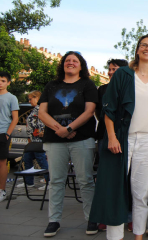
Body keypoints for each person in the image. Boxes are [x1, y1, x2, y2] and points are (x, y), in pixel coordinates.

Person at [89, 34, 148, 240]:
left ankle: (139, 235)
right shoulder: (124, 74)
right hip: (123, 138)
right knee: (116, 188)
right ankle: (115, 237)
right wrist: (112, 137)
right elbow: (108, 109)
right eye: (144, 45)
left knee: (140, 192)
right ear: (138, 50)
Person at [38, 51, 99, 237]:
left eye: (75, 60)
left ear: (81, 66)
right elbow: (42, 112)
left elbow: (89, 112)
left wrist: (70, 129)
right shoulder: (51, 85)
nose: (70, 63)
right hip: (55, 140)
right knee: (56, 181)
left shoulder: (87, 85)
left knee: (86, 180)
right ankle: (53, 221)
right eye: (67, 60)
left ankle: (91, 219)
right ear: (63, 64)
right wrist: (60, 129)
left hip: (82, 140)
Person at [94, 58, 129, 232]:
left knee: (127, 180)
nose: (110, 72)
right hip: (105, 137)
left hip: (126, 137)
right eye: (109, 69)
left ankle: (128, 216)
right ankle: (105, 216)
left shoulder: (131, 88)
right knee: (107, 179)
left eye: (114, 69)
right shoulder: (102, 89)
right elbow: (100, 112)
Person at [16, 90, 49, 191]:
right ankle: (29, 182)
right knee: (27, 160)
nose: (29, 101)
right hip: (33, 140)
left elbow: (45, 122)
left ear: (37, 98)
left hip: (38, 140)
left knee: (41, 161)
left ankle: (49, 181)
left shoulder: (42, 109)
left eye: (31, 99)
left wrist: (44, 132)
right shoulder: (35, 109)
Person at [0, 71, 19, 202]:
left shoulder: (11, 98)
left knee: (2, 163)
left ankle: (2, 190)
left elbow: (15, 118)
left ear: (8, 83)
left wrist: (7, 134)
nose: (0, 83)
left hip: (2, 133)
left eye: (3, 81)